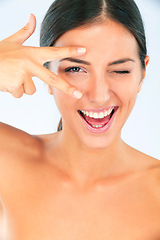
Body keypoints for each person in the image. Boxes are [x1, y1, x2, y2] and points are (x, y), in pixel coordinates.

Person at [0, 0, 160, 239]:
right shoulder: (8, 160)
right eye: (76, 69)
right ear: (45, 73)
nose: (99, 95)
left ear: (142, 74)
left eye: (120, 70)